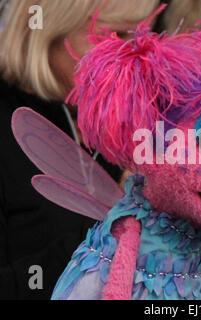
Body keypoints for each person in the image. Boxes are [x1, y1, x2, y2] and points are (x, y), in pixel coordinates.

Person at [0, 0, 160, 299]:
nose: (135, 54)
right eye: (113, 35)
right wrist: (114, 225)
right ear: (48, 32)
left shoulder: (132, 121)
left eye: (142, 36)